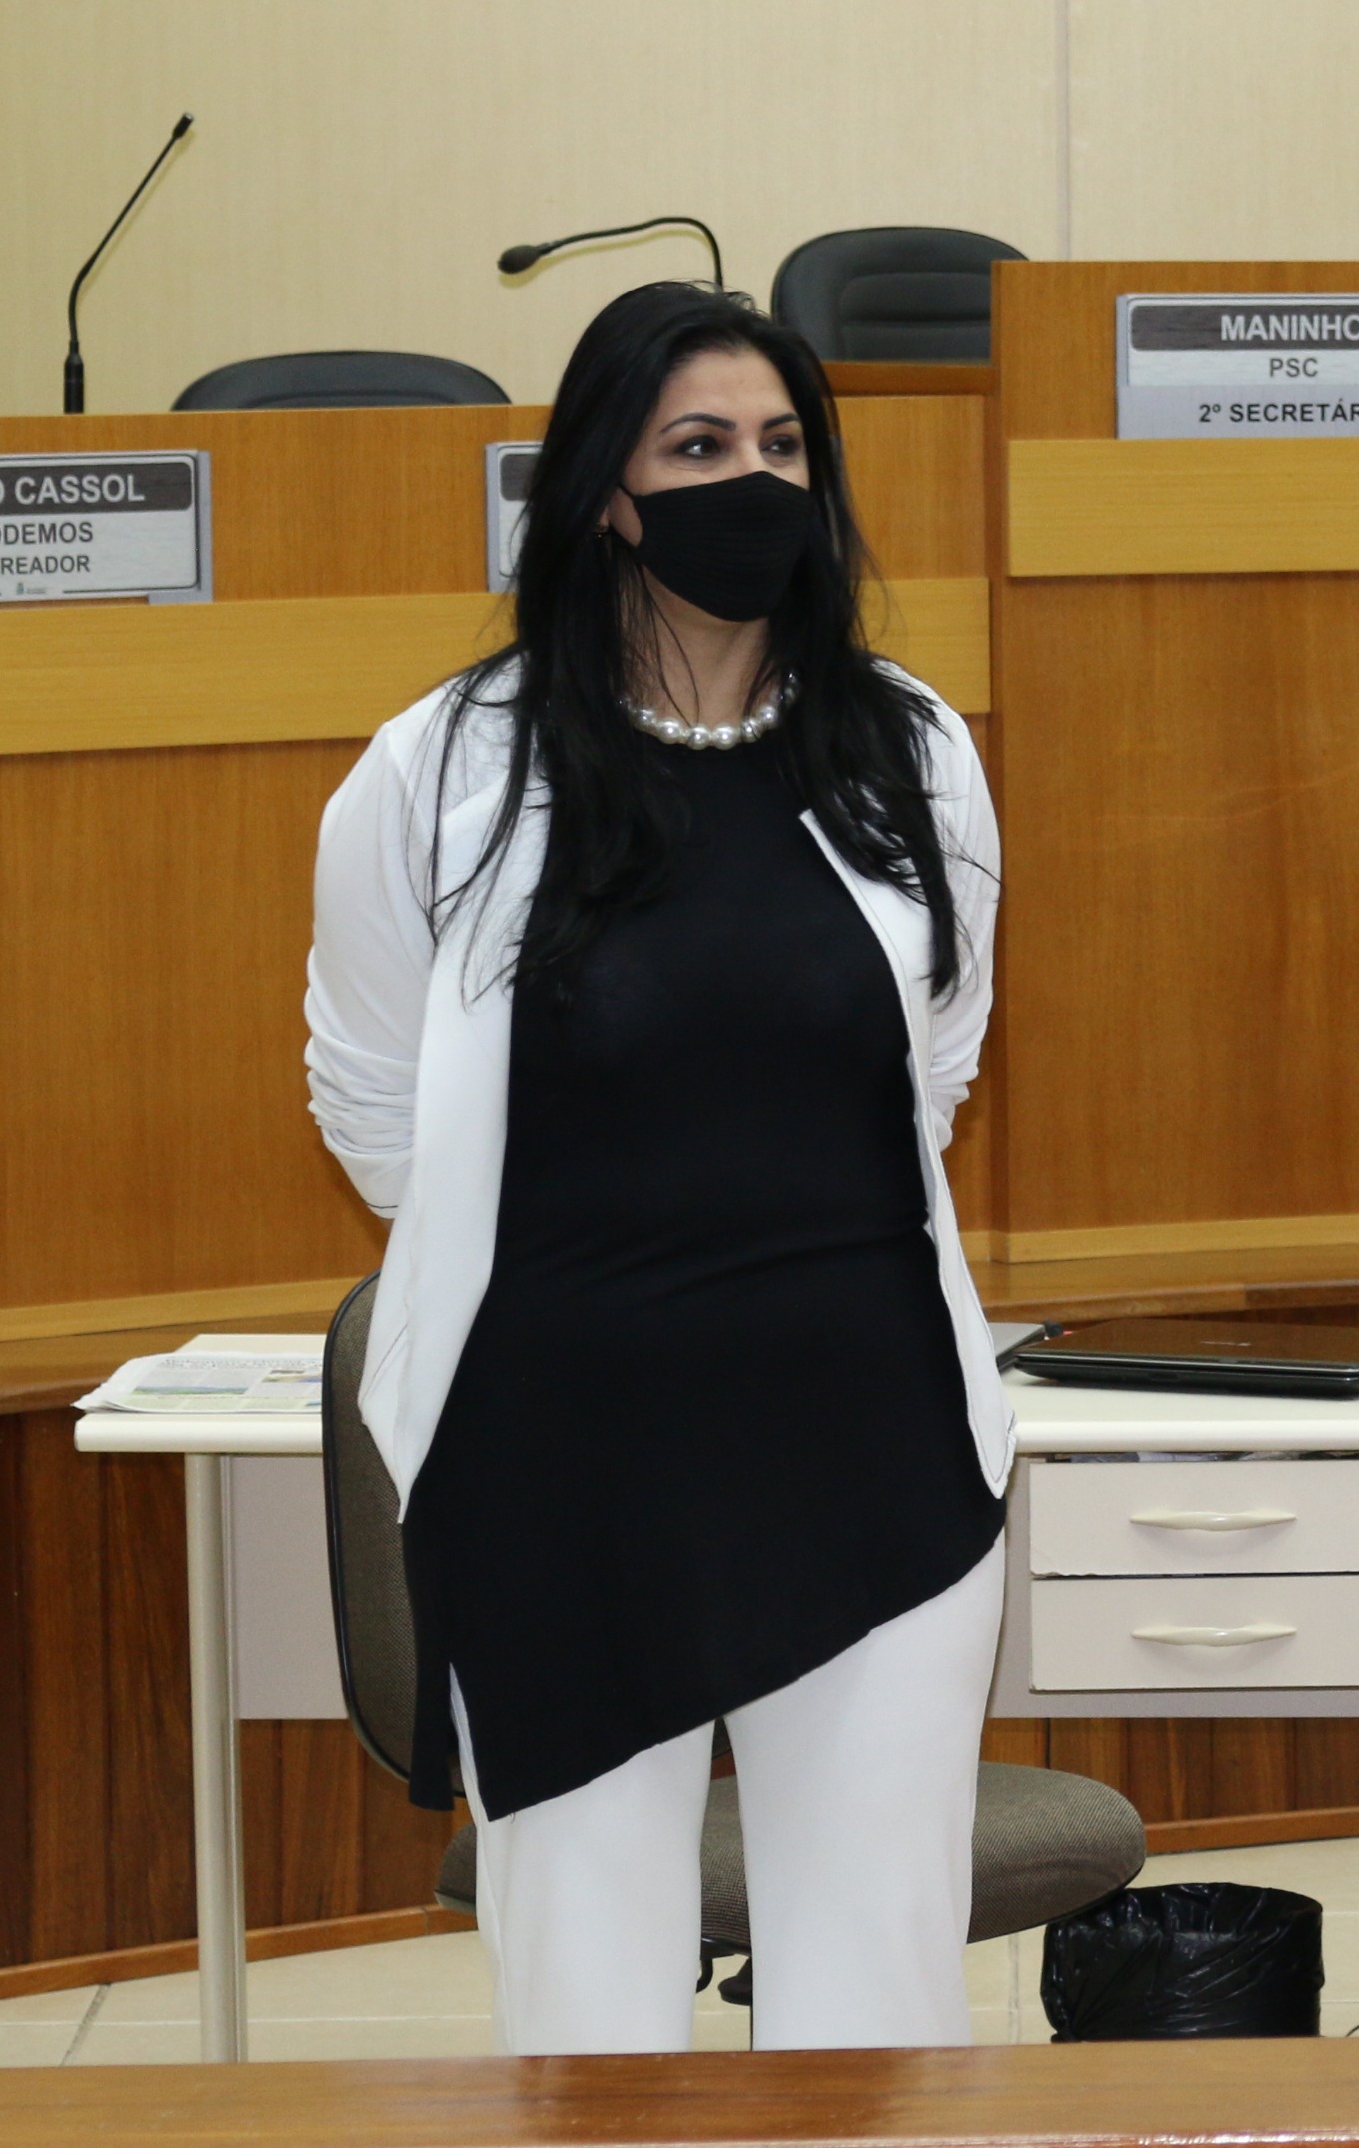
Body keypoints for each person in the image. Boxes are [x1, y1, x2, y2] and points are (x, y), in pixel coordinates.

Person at [304, 283, 1009, 2054]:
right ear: (604, 491)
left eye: (782, 447)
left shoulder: (910, 750)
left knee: (874, 2000)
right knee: (585, 2009)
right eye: (698, 446)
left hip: (870, 1440)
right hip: (558, 1465)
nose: (748, 481)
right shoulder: (437, 770)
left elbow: (935, 1060)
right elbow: (379, 1110)